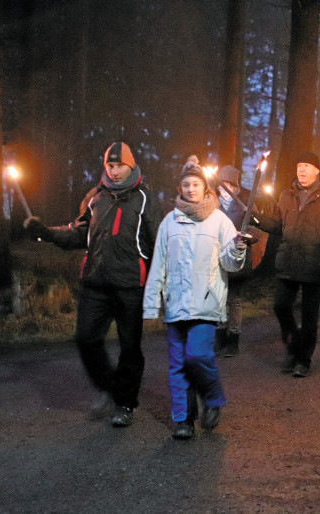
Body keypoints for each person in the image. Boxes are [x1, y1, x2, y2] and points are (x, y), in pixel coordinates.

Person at [24, 142, 163, 427]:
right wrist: (46, 233)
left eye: (118, 166)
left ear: (130, 166)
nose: (113, 171)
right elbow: (77, 233)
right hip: (96, 283)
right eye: (109, 166)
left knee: (130, 348)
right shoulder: (96, 198)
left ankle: (125, 403)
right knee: (85, 339)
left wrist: (159, 282)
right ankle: (112, 388)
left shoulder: (145, 199)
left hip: (130, 285)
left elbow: (160, 241)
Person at [142, 161, 246, 438]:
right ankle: (183, 420)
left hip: (206, 302)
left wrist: (237, 250)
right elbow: (159, 264)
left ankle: (212, 397)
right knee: (177, 364)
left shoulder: (220, 220)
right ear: (180, 188)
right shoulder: (169, 221)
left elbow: (231, 265)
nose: (190, 189)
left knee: (197, 354)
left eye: (195, 184)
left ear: (204, 187)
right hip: (176, 305)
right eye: (186, 185)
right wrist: (152, 303)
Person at [256, 152, 320, 377]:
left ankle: (303, 360)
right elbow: (279, 226)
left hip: (315, 263)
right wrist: (258, 220)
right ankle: (294, 345)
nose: (302, 170)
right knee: (280, 306)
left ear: (317, 170)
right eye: (299, 165)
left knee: (309, 316)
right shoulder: (286, 195)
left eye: (306, 165)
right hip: (289, 261)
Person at [213, 164, 268, 357]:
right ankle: (219, 339)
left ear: (235, 187)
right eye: (222, 185)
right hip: (217, 259)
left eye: (229, 185)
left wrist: (245, 237)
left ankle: (233, 341)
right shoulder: (212, 204)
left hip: (238, 257)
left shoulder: (245, 205)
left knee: (234, 299)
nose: (225, 190)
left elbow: (256, 230)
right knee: (218, 299)